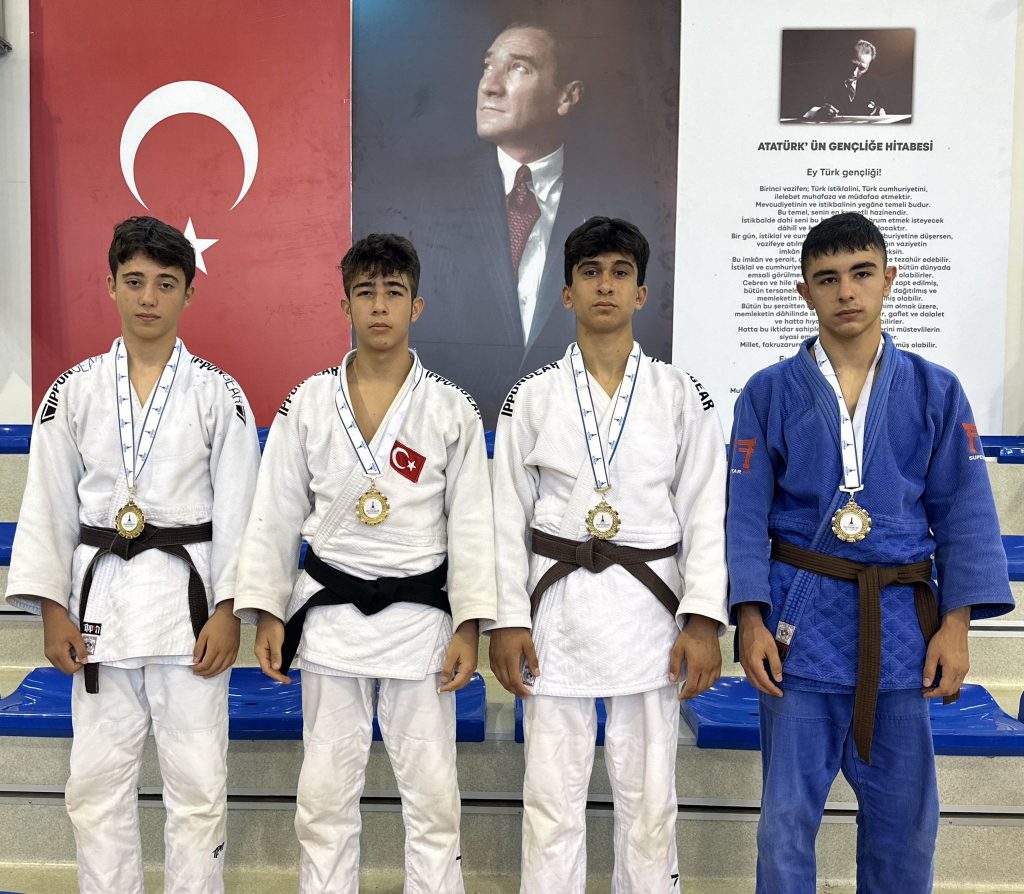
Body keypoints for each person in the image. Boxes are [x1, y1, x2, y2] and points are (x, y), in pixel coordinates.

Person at [727, 212, 1014, 893]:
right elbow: (744, 513)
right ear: (805, 292)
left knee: (904, 824)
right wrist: (749, 618)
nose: (846, 291)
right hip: (798, 627)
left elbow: (964, 511)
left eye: (861, 274)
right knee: (784, 823)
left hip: (901, 630)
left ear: (889, 279)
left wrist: (956, 625)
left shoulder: (936, 389)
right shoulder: (768, 392)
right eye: (827, 279)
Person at [4, 216, 261, 893]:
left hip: (189, 614)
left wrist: (230, 610)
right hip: (101, 615)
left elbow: (242, 512)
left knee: (198, 788)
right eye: (135, 281)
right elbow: (49, 505)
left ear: (189, 293)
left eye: (166, 284)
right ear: (111, 285)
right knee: (96, 787)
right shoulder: (72, 391)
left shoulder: (218, 393)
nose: (149, 297)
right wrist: (52, 610)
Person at [234, 233, 496, 893]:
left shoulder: (451, 408)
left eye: (394, 292)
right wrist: (267, 610)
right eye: (365, 292)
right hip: (330, 619)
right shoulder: (307, 403)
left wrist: (469, 625)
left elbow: (471, 525)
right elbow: (275, 511)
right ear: (344, 304)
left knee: (433, 796)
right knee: (324, 796)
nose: (380, 306)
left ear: (417, 305)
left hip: (421, 620)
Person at [488, 216, 728, 892]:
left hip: (651, 615)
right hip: (557, 612)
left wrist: (703, 621)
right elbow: (504, 518)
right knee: (550, 804)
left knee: (649, 805)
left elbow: (705, 514)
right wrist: (507, 619)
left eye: (620, 273)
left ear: (641, 293)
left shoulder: (682, 396)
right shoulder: (530, 398)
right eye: (590, 273)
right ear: (567, 293)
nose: (605, 285)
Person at [374, 19, 674, 428]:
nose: (489, 85)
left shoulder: (626, 201)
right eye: (488, 66)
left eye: (518, 67)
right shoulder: (424, 201)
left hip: (575, 434)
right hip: (454, 434)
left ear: (567, 97)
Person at [805, 39, 887, 120]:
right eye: (851, 65)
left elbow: (884, 108)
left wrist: (880, 111)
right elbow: (801, 107)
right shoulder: (821, 79)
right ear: (843, 60)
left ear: (868, 67)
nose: (854, 72)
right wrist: (816, 112)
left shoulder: (873, 85)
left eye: (861, 68)